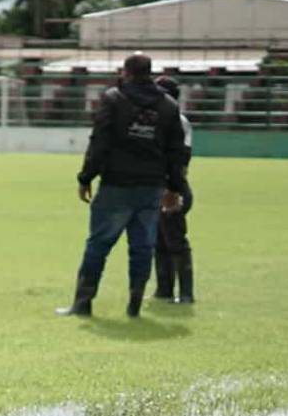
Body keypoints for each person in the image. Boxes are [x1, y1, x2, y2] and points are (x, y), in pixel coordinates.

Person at [57, 53, 186, 318]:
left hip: (116, 183)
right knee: (141, 248)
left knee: (98, 245)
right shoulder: (169, 106)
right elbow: (176, 152)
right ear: (150, 72)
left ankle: (83, 303)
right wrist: (174, 188)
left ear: (125, 72)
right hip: (151, 186)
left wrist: (85, 177)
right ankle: (134, 305)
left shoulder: (113, 99)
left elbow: (100, 141)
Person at [151, 76, 195, 303]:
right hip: (159, 187)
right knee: (160, 241)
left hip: (172, 188)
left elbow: (181, 160)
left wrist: (173, 191)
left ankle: (186, 293)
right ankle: (164, 289)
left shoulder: (178, 121)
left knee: (176, 242)